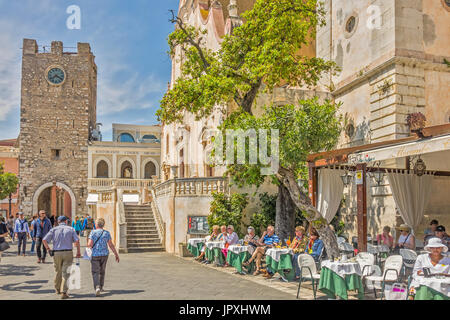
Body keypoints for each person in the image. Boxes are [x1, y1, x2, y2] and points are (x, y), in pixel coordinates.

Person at [42, 216, 81, 299]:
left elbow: (44, 240)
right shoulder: (71, 229)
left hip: (57, 253)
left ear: (58, 221)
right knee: (66, 272)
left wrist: (48, 249)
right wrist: (78, 251)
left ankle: (57, 288)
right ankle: (64, 292)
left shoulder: (54, 229)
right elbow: (77, 241)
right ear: (66, 221)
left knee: (58, 271)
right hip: (68, 252)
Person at [87, 218, 120, 297]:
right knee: (102, 271)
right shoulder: (107, 233)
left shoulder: (93, 233)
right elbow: (111, 245)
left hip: (95, 254)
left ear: (96, 224)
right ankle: (101, 287)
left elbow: (89, 244)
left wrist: (88, 250)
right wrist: (116, 254)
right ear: (103, 225)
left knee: (95, 272)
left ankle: (97, 287)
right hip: (104, 255)